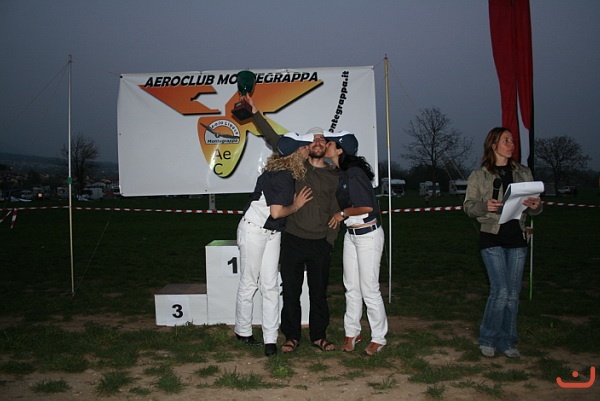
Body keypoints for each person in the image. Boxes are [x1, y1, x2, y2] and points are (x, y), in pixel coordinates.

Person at [247, 95, 340, 353]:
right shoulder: (296, 168)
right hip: (293, 240)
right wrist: (255, 113)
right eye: (313, 140)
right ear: (307, 146)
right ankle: (291, 336)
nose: (317, 143)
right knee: (290, 292)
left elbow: (336, 209)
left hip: (320, 243)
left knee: (318, 294)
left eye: (322, 140)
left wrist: (330, 241)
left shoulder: (334, 176)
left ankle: (319, 336)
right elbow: (274, 139)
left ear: (326, 146)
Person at [463, 127, 543, 358]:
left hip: (517, 238)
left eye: (512, 140)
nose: (511, 144)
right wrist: (484, 206)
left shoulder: (523, 173)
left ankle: (507, 341)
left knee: (513, 293)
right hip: (491, 237)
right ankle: (487, 338)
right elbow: (469, 207)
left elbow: (535, 208)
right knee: (501, 291)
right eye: (506, 140)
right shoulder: (479, 175)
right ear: (493, 144)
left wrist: (535, 207)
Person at [234, 133, 314, 357]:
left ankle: (270, 338)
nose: (307, 150)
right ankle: (243, 331)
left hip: (271, 231)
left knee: (270, 285)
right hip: (254, 230)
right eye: (304, 148)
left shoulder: (284, 172)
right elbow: (277, 212)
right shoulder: (282, 176)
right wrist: (296, 205)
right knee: (250, 282)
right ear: (294, 153)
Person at [325, 131, 388, 356]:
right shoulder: (342, 173)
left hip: (368, 235)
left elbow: (367, 207)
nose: (326, 145)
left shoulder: (354, 173)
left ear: (340, 150)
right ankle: (352, 333)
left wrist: (342, 213)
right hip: (352, 235)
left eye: (330, 143)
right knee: (351, 287)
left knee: (369, 288)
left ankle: (379, 337)